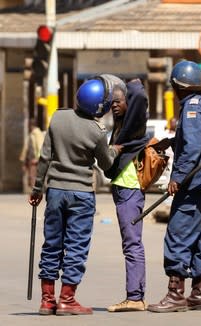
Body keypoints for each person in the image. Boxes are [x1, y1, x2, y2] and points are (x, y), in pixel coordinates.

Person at [28, 76, 124, 316]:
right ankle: (67, 300)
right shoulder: (97, 131)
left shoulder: (58, 117)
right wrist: (114, 149)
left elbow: (44, 157)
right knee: (76, 247)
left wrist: (37, 189)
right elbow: (106, 163)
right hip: (81, 194)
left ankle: (47, 300)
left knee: (52, 245)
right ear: (99, 107)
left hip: (56, 191)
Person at [147, 60, 201, 313]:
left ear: (179, 86)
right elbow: (197, 140)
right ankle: (200, 293)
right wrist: (171, 141)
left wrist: (176, 177)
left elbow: (192, 147)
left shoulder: (190, 107)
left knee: (178, 234)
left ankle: (175, 294)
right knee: (199, 236)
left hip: (193, 181)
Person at [104, 77, 150, 312]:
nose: (114, 105)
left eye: (119, 101)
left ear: (129, 103)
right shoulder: (119, 127)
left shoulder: (135, 124)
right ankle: (136, 295)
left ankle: (135, 297)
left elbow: (140, 97)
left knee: (132, 244)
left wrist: (133, 84)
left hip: (130, 189)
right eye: (112, 103)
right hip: (123, 189)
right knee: (130, 243)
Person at [19, 118, 44, 193]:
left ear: (31, 125)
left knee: (33, 176)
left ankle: (36, 193)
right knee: (31, 177)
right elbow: (26, 148)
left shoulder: (37, 133)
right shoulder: (32, 134)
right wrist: (23, 160)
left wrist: (38, 158)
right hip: (30, 160)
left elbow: (40, 146)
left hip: (34, 160)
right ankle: (34, 192)